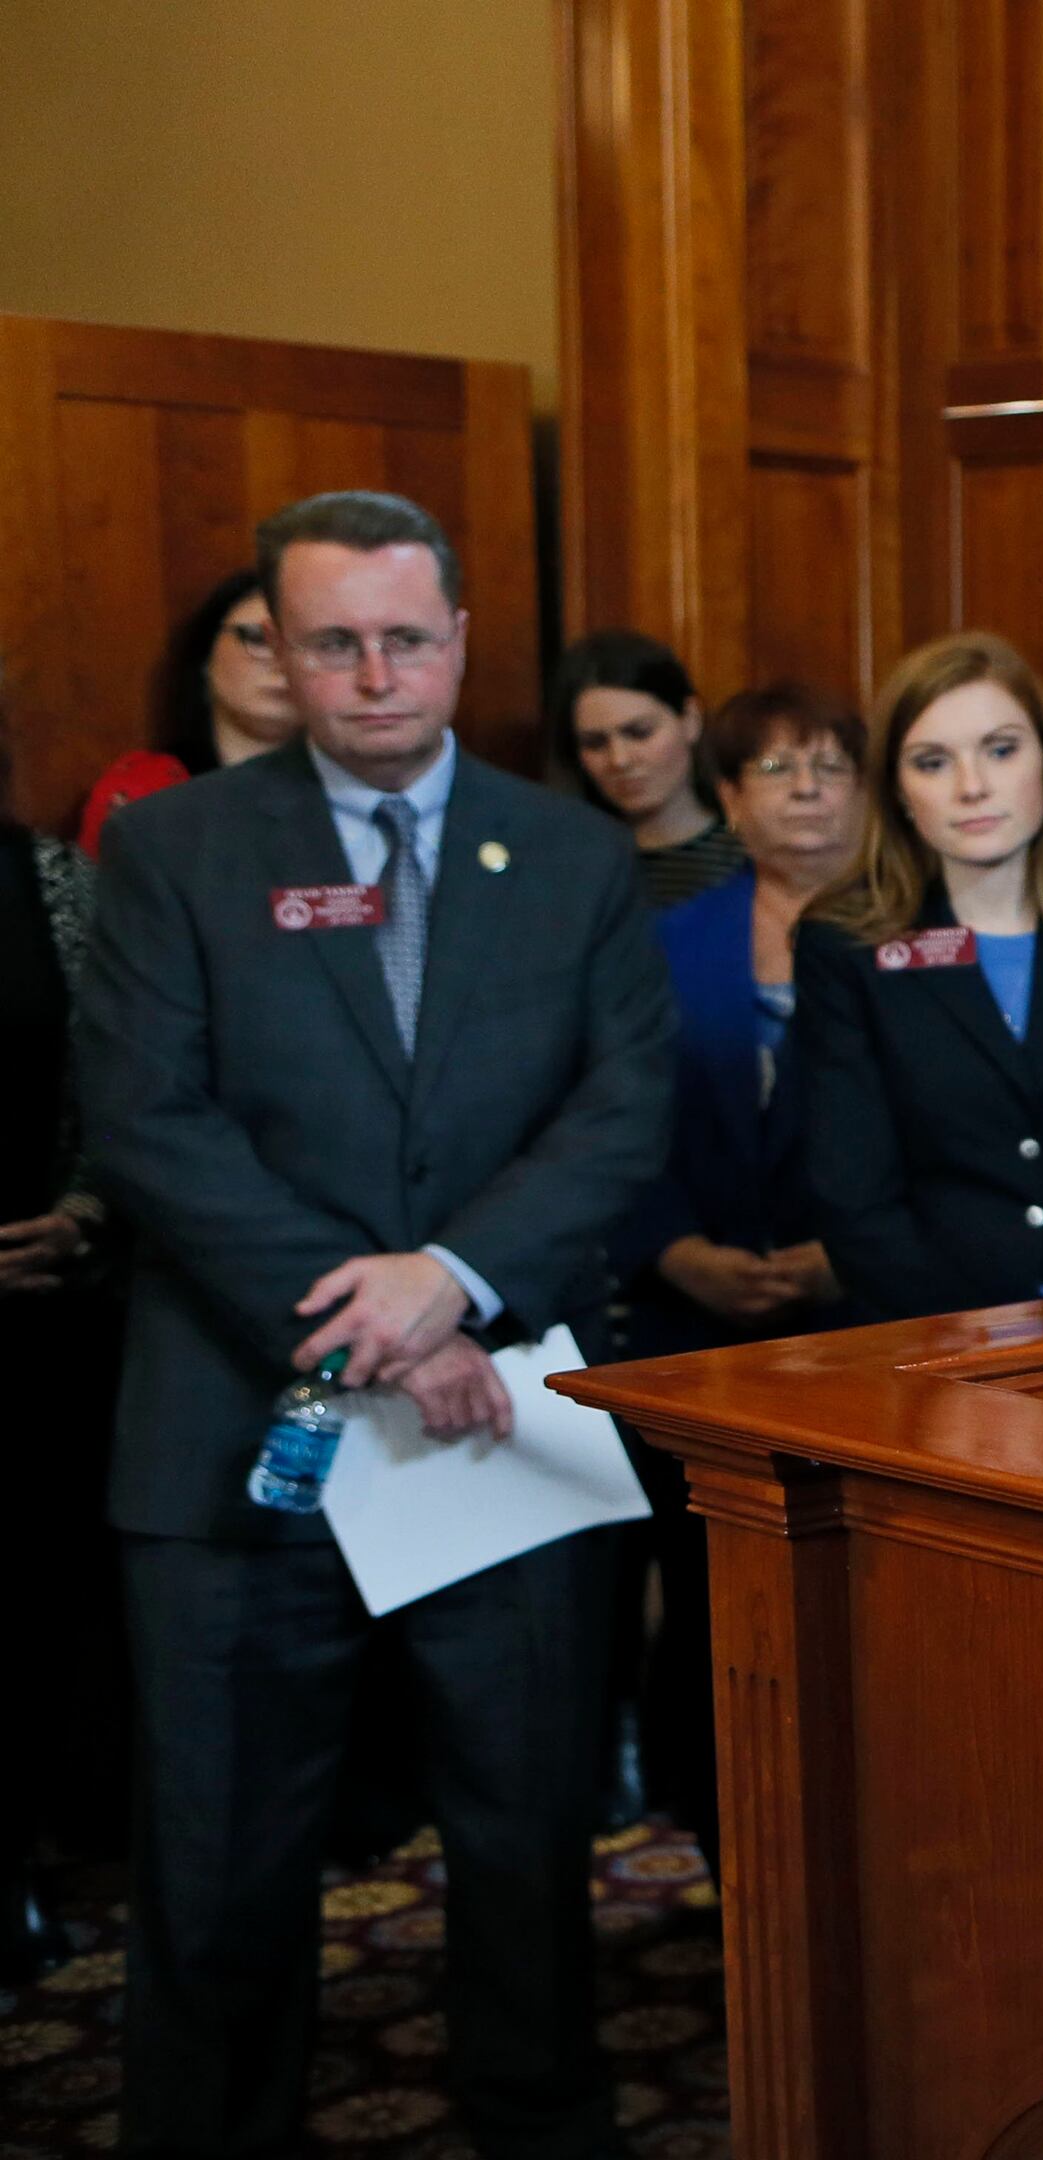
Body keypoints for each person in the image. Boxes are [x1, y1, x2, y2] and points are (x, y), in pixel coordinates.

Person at [75, 489, 675, 2160]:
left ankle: (538, 2121)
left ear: (463, 642)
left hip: (505, 1415)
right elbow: (147, 1123)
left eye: (408, 638)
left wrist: (459, 1277)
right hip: (234, 1433)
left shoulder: (566, 853)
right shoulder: (180, 846)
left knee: (524, 1831)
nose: (374, 674)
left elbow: (625, 1108)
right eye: (330, 641)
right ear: (274, 644)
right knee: (220, 1861)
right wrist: (385, 1314)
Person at [606, 680, 861, 1856]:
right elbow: (614, 1114)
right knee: (707, 1603)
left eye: (828, 765)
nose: (805, 790)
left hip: (862, 1326)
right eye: (774, 768)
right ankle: (715, 1842)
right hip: (687, 1320)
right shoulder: (666, 941)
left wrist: (839, 1261)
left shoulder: (909, 928)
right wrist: (674, 1250)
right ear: (726, 797)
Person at [793, 633, 1043, 1321]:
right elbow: (853, 1196)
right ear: (898, 791)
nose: (972, 787)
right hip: (931, 1341)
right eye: (933, 762)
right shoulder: (845, 947)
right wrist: (968, 1347)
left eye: (1000, 749)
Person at [0, 651, 114, 1985]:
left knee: (30, 1605)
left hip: (39, 1306)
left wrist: (84, 1213)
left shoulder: (50, 879)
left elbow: (117, 1079)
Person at [74, 568, 303, 854]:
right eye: (257, 638)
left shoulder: (351, 787)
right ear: (206, 656)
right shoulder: (146, 790)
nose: (281, 662)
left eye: (301, 642)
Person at [552, 629, 746, 906]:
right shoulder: (563, 864)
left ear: (690, 719)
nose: (620, 759)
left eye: (640, 733)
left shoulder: (756, 856)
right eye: (595, 743)